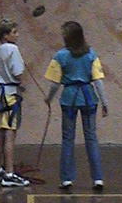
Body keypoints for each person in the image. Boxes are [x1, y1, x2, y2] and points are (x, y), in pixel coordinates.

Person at [44, 21, 107, 191]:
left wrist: (48, 98)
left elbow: (55, 84)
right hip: (88, 98)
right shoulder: (91, 54)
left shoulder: (60, 56)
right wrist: (104, 102)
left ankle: (66, 179)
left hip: (69, 100)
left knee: (68, 139)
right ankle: (98, 178)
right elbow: (98, 81)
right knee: (91, 138)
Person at [0, 18, 30, 188]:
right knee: (10, 134)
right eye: (14, 32)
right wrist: (23, 84)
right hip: (10, 94)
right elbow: (18, 72)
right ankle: (9, 173)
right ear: (6, 35)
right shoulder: (12, 49)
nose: (17, 35)